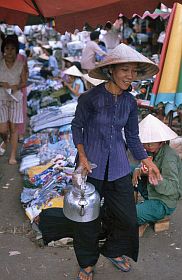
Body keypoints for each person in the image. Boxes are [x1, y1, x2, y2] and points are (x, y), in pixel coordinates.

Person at [71, 43, 161, 280]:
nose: (130, 76)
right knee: (87, 219)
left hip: (119, 166)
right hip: (90, 165)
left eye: (134, 72)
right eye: (125, 70)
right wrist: (82, 156)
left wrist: (146, 160)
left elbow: (132, 135)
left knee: (127, 217)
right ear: (111, 71)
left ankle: (112, 249)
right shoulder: (90, 98)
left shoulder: (130, 102)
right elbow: (77, 126)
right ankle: (87, 262)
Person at [132, 114, 182, 236]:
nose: (147, 146)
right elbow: (142, 165)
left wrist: (158, 181)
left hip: (163, 202)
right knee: (128, 170)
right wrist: (138, 169)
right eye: (145, 143)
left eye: (151, 143)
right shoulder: (151, 150)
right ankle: (142, 210)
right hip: (152, 191)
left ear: (161, 142)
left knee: (130, 214)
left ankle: (143, 216)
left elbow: (173, 190)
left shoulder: (169, 158)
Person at [0, 36, 27, 164]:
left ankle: (12, 156)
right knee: (3, 129)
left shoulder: (21, 64)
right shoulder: (0, 62)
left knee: (14, 128)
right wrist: (2, 83)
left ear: (16, 50)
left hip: (15, 98)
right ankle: (6, 141)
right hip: (2, 98)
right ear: (3, 49)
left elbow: (24, 81)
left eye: (12, 48)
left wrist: (17, 86)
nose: (9, 51)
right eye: (7, 48)